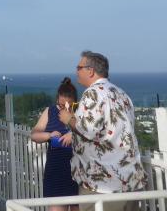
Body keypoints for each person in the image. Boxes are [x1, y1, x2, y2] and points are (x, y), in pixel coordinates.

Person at [59, 51, 146, 211]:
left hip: (103, 185)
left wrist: (68, 118)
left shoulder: (93, 93)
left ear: (90, 71)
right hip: (130, 180)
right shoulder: (122, 94)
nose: (76, 71)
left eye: (79, 67)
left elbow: (87, 129)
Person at [31, 78, 79, 211]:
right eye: (61, 104)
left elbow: (90, 133)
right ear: (57, 99)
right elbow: (34, 134)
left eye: (68, 105)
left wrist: (73, 135)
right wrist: (49, 135)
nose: (64, 108)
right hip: (56, 171)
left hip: (77, 172)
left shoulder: (81, 111)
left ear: (74, 101)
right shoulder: (50, 111)